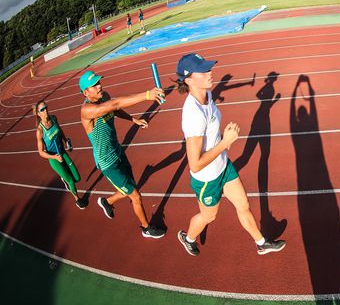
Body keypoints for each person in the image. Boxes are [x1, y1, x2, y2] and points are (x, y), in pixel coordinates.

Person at [174, 53, 285, 256]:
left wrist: (222, 142)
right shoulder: (193, 115)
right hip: (207, 179)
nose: (210, 72)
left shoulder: (206, 95)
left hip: (223, 166)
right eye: (204, 70)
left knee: (243, 205)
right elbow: (195, 164)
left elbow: (212, 132)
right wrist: (225, 142)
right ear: (189, 80)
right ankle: (187, 238)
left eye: (209, 68)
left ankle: (261, 243)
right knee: (209, 217)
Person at [79, 70, 166, 238]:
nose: (99, 86)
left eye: (99, 82)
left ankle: (107, 201)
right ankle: (146, 228)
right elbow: (114, 105)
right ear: (85, 92)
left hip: (118, 152)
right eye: (94, 85)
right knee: (135, 195)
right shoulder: (87, 111)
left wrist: (132, 119)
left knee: (130, 187)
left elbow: (115, 110)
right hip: (107, 163)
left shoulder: (104, 96)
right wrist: (147, 94)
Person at [34, 100, 85, 209]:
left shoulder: (53, 118)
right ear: (38, 113)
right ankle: (77, 199)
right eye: (42, 110)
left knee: (77, 177)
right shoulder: (40, 131)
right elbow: (41, 152)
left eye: (46, 107)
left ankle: (65, 180)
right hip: (54, 158)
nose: (45, 110)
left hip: (62, 152)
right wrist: (54, 157)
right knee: (71, 181)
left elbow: (59, 129)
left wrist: (65, 140)